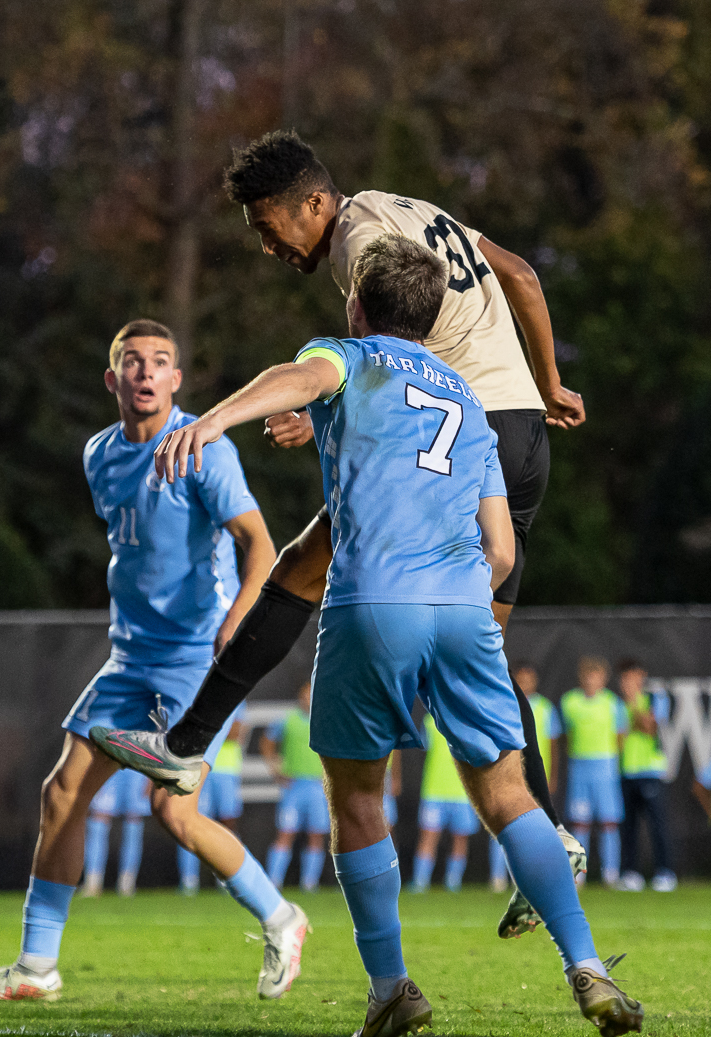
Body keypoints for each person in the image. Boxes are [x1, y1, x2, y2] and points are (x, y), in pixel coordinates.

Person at [91, 132, 588, 941]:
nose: (266, 245)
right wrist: (552, 379)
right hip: (517, 433)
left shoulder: (360, 244)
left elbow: (392, 361)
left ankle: (186, 740)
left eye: (266, 224)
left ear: (313, 202)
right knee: (475, 653)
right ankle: (551, 838)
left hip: (459, 436)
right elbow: (523, 275)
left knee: (300, 568)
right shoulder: (411, 207)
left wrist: (323, 399)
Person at [141, 236, 641, 1036]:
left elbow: (298, 379)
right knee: (511, 795)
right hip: (465, 611)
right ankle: (585, 967)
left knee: (360, 798)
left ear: (359, 305)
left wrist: (215, 418)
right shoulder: (467, 399)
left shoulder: (350, 354)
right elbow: (504, 550)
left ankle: (391, 987)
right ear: (434, 317)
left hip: (373, 602)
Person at [0, 320, 308, 1006]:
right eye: (133, 362)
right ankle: (35, 966)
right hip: (129, 654)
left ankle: (281, 915)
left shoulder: (206, 447)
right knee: (62, 795)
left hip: (194, 658)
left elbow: (258, 545)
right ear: (113, 379)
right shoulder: (98, 453)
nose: (146, 372)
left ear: (177, 380)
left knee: (173, 811)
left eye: (161, 362)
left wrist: (235, 623)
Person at [492, 664, 561, 889]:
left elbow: (551, 746)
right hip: (507, 776)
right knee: (503, 824)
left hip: (534, 777)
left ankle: (538, 875)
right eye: (520, 679)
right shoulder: (500, 705)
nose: (524, 684)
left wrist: (550, 777)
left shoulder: (545, 708)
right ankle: (498, 877)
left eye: (529, 679)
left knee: (536, 826)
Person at [560, 657, 626, 888]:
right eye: (587, 675)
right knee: (580, 823)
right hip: (580, 768)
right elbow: (567, 736)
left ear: (603, 679)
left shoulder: (613, 703)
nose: (591, 680)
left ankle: (611, 873)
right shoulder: (569, 702)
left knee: (609, 822)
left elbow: (620, 737)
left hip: (605, 769)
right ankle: (579, 875)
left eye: (596, 676)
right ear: (581, 678)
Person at [615, 659, 675, 892]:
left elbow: (650, 728)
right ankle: (631, 873)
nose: (628, 682)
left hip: (650, 771)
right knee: (628, 826)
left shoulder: (654, 699)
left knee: (657, 824)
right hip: (626, 770)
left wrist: (634, 702)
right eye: (624, 678)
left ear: (641, 676)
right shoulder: (617, 704)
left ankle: (665, 872)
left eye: (632, 677)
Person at [260, 684, 327, 891]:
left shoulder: (326, 721)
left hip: (317, 787)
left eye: (312, 696)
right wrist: (275, 769)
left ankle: (309, 883)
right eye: (305, 696)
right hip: (294, 787)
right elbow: (266, 742)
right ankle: (273, 881)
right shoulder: (287, 719)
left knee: (316, 834)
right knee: (286, 832)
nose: (308, 699)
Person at [177, 705, 248, 893]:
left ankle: (229, 878)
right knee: (189, 821)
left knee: (228, 823)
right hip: (198, 768)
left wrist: (206, 727)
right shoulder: (196, 691)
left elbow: (235, 733)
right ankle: (188, 881)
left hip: (226, 770)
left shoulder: (238, 699)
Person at [411, 715, 479, 893]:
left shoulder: (472, 721)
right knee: (428, 837)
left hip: (463, 793)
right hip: (434, 791)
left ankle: (453, 883)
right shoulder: (428, 721)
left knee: (460, 838)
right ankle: (420, 882)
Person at [83, 769, 151, 897]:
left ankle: (127, 884)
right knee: (98, 822)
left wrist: (151, 777)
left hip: (138, 766)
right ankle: (92, 883)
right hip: (110, 764)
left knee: (133, 825)